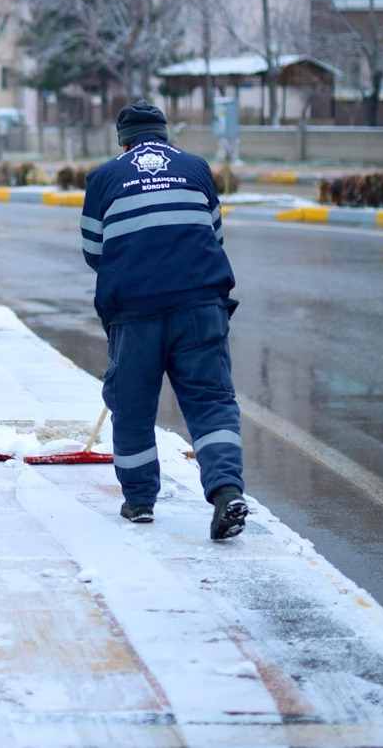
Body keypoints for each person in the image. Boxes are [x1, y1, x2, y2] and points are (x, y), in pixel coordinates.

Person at [80, 100, 248, 542]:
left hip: (135, 314)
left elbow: (94, 253)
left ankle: (139, 501)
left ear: (124, 139)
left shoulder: (103, 178)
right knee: (211, 402)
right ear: (164, 133)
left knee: (133, 405)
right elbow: (214, 236)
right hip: (200, 306)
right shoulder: (196, 168)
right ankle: (226, 490)